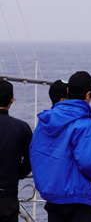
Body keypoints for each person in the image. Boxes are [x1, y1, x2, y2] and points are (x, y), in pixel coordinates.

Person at [30, 71, 91, 222]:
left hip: (53, 198)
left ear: (68, 91)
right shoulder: (86, 123)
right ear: (88, 95)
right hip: (80, 199)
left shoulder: (45, 121)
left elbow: (36, 154)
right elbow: (90, 162)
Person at [0, 79, 33, 222]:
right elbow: (30, 160)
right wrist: (18, 172)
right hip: (7, 197)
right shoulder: (22, 128)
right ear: (12, 100)